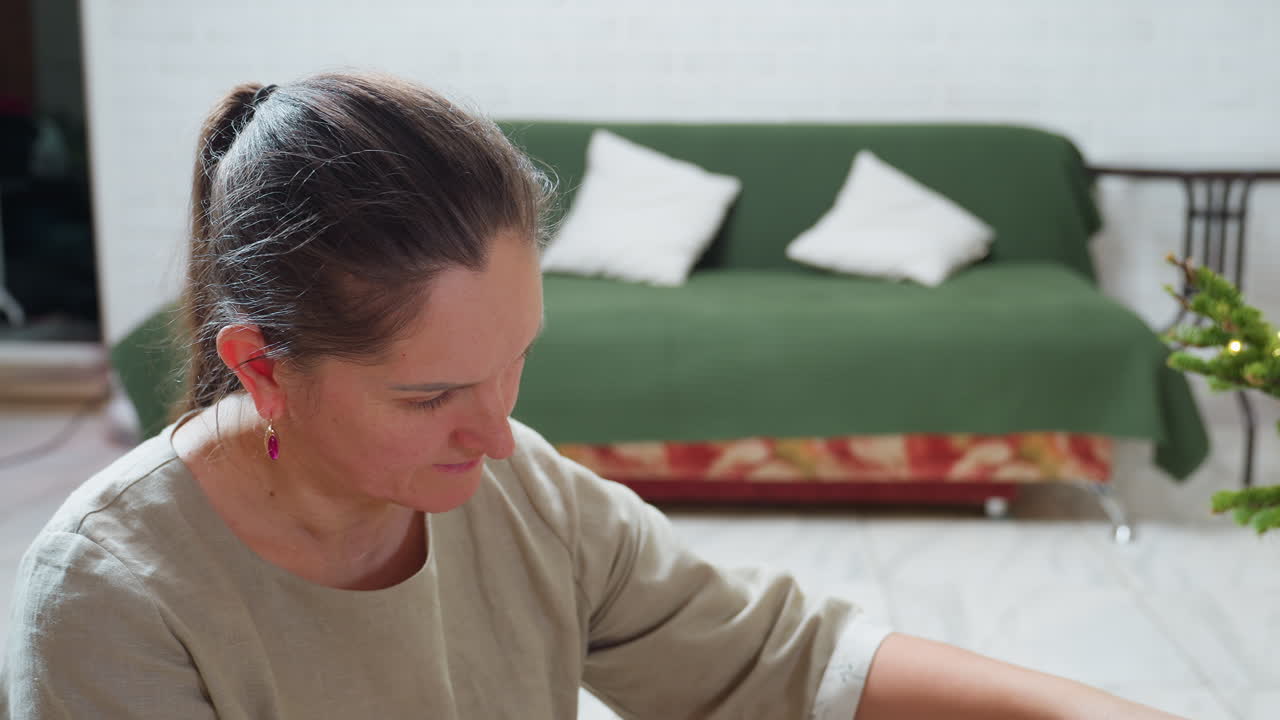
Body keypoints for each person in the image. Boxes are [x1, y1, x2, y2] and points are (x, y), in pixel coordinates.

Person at [0, 71, 1183, 719]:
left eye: (515, 360)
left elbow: (778, 659)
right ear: (262, 366)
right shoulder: (113, 599)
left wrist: (1084, 712)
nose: (497, 434)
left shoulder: (529, 499)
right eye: (430, 395)